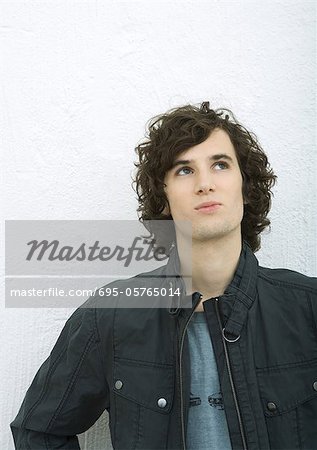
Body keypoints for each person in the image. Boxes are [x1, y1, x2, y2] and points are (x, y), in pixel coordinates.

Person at [10, 102, 317, 450]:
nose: (205, 183)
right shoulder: (111, 315)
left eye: (220, 165)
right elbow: (39, 432)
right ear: (164, 196)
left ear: (245, 186)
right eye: (184, 170)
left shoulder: (308, 309)